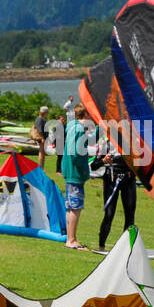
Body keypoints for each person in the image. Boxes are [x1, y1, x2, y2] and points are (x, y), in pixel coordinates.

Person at [93, 133, 136, 252]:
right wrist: (103, 161)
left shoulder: (134, 141)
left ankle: (126, 248)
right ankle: (101, 246)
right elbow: (94, 165)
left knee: (130, 214)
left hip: (129, 180)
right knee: (109, 214)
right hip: (111, 181)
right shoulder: (106, 143)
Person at [61, 102, 92, 249]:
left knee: (70, 207)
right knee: (76, 207)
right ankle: (71, 240)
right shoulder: (79, 129)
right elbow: (75, 152)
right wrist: (84, 170)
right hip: (75, 173)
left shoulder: (72, 126)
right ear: (85, 114)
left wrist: (99, 129)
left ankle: (70, 238)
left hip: (69, 172)